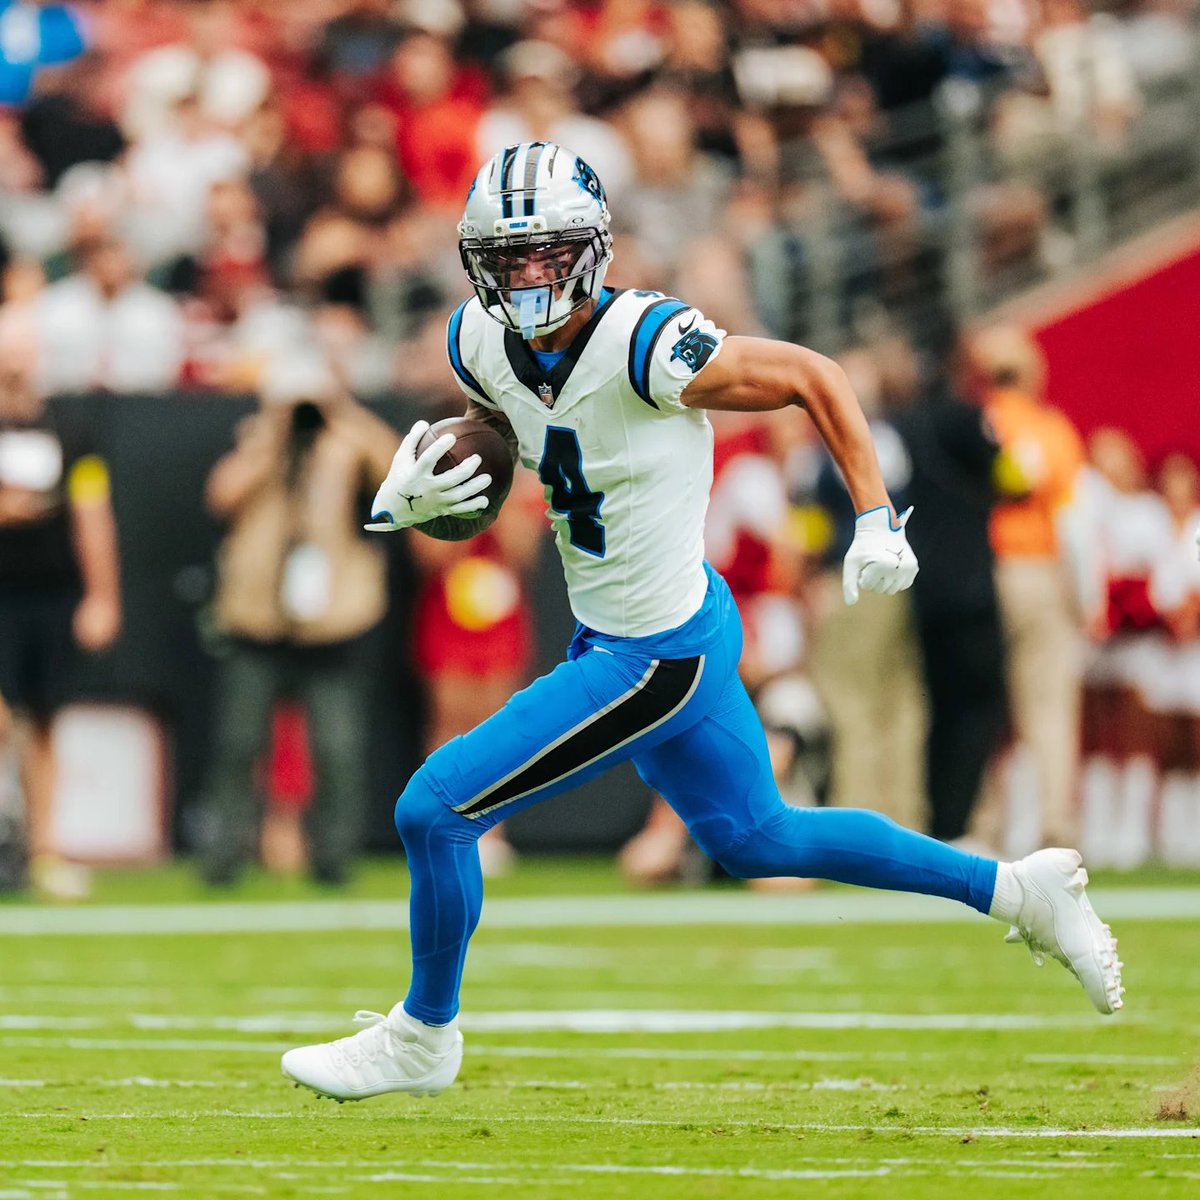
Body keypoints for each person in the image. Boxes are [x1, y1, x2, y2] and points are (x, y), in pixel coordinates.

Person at [280, 141, 1124, 1102]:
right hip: (655, 623)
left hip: (655, 654)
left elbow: (815, 376)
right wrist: (431, 483)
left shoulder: (647, 343)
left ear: (592, 251)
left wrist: (876, 514)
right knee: (759, 839)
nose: (529, 277)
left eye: (549, 253)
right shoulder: (475, 342)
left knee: (435, 809)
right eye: (509, 258)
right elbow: (528, 432)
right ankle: (1022, 891)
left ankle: (423, 1038)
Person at [197, 353, 399, 886]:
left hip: (330, 622)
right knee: (238, 744)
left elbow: (397, 473)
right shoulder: (258, 441)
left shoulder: (347, 442)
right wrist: (273, 435)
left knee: (337, 748)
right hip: (257, 619)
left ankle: (333, 858)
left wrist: (343, 413)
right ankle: (224, 859)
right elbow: (222, 496)